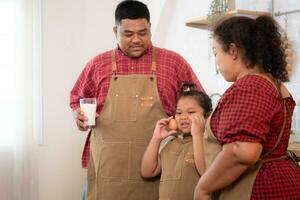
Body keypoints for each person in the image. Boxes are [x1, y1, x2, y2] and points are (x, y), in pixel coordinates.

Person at [69, 1, 204, 199]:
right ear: (115, 31)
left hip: (159, 169)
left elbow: (199, 105)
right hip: (109, 171)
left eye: (143, 33)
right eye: (128, 34)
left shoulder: (174, 63)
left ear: (150, 29)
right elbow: (76, 100)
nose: (136, 40)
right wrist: (78, 115)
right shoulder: (98, 65)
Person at [194, 15, 300, 200]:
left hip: (258, 188)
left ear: (233, 50)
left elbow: (242, 150)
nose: (217, 61)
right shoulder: (273, 83)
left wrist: (203, 188)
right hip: (281, 180)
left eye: (216, 52)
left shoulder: (251, 87)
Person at [141, 82, 212, 200]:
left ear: (207, 116)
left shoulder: (208, 143)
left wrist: (197, 135)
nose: (183, 117)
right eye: (179, 113)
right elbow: (147, 172)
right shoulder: (169, 143)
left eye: (191, 112)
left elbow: (206, 173)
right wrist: (156, 138)